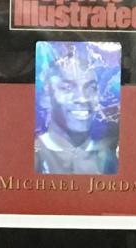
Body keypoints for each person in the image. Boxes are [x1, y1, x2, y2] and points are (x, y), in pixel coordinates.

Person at [32, 44, 119, 175]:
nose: (83, 99)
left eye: (91, 88)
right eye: (67, 88)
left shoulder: (111, 158)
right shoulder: (31, 156)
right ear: (46, 96)